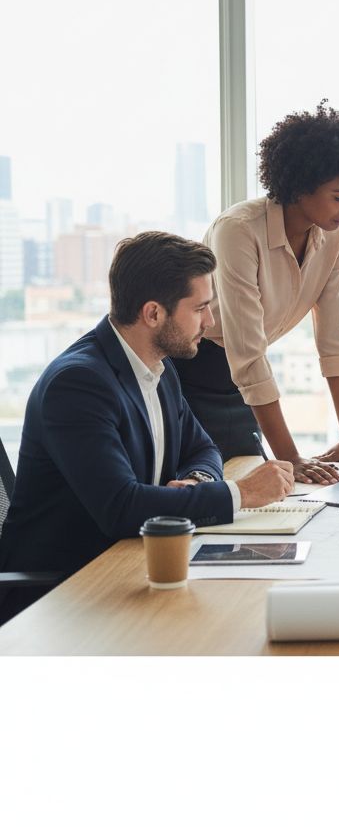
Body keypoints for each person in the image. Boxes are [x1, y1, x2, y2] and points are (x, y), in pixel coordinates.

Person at [0, 232, 294, 625]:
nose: (209, 323)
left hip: (128, 566)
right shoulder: (78, 385)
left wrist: (195, 480)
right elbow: (121, 508)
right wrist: (241, 493)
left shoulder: (159, 365)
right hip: (63, 595)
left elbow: (202, 448)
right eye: (200, 308)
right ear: (153, 313)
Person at [175, 100, 339, 486]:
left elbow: (334, 335)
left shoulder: (333, 234)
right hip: (189, 379)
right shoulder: (238, 230)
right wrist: (290, 456)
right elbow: (248, 352)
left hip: (242, 389)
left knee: (264, 494)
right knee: (215, 495)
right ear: (301, 186)